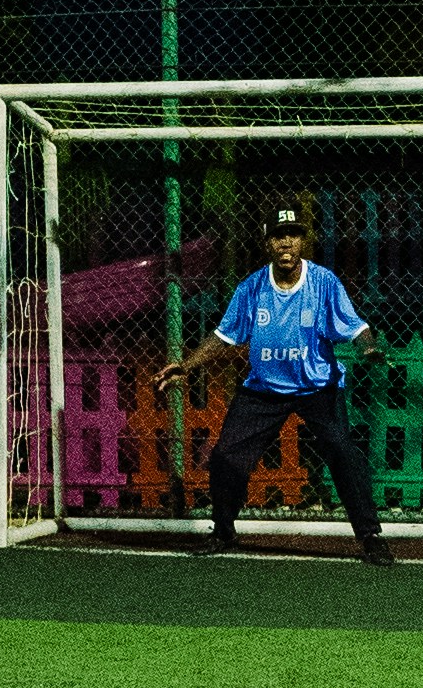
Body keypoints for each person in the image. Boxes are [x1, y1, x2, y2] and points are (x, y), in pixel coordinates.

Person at [157, 203, 391, 563]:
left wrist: (370, 348)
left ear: (302, 242)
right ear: (268, 243)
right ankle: (223, 531)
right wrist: (186, 366)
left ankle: (370, 535)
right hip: (264, 390)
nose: (287, 243)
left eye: (293, 236)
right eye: (279, 236)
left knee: (343, 451)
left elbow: (356, 327)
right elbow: (224, 336)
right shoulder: (251, 288)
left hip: (317, 387)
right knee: (225, 456)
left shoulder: (324, 283)